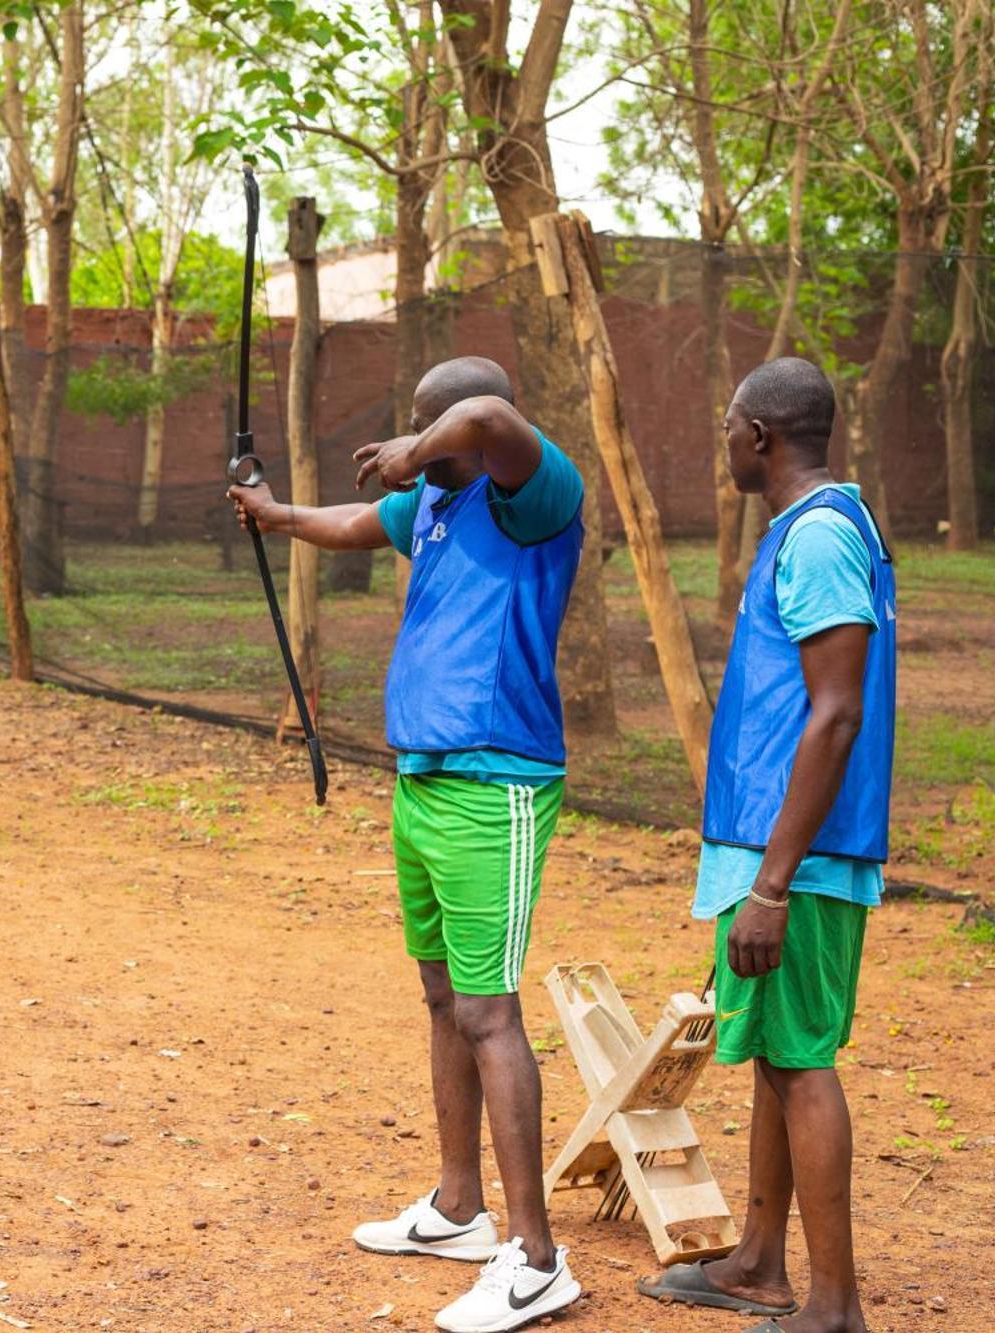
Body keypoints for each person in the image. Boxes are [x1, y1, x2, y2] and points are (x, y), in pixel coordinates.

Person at [228, 356, 585, 1333]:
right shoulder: (428, 506)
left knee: (485, 1009)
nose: (415, 442)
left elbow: (481, 413)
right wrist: (272, 511)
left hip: (495, 781)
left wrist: (415, 445)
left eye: (429, 430)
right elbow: (348, 525)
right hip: (421, 777)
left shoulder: (531, 496)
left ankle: (535, 1256)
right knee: (442, 998)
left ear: (461, 439)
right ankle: (458, 1207)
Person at [635, 356, 894, 1333]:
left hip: (799, 857)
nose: (723, 443)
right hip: (774, 847)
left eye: (727, 427)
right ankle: (755, 1261)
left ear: (758, 438)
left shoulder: (820, 536)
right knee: (776, 1058)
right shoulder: (814, 529)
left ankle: (831, 1306)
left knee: (799, 1061)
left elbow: (834, 715)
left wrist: (772, 883)